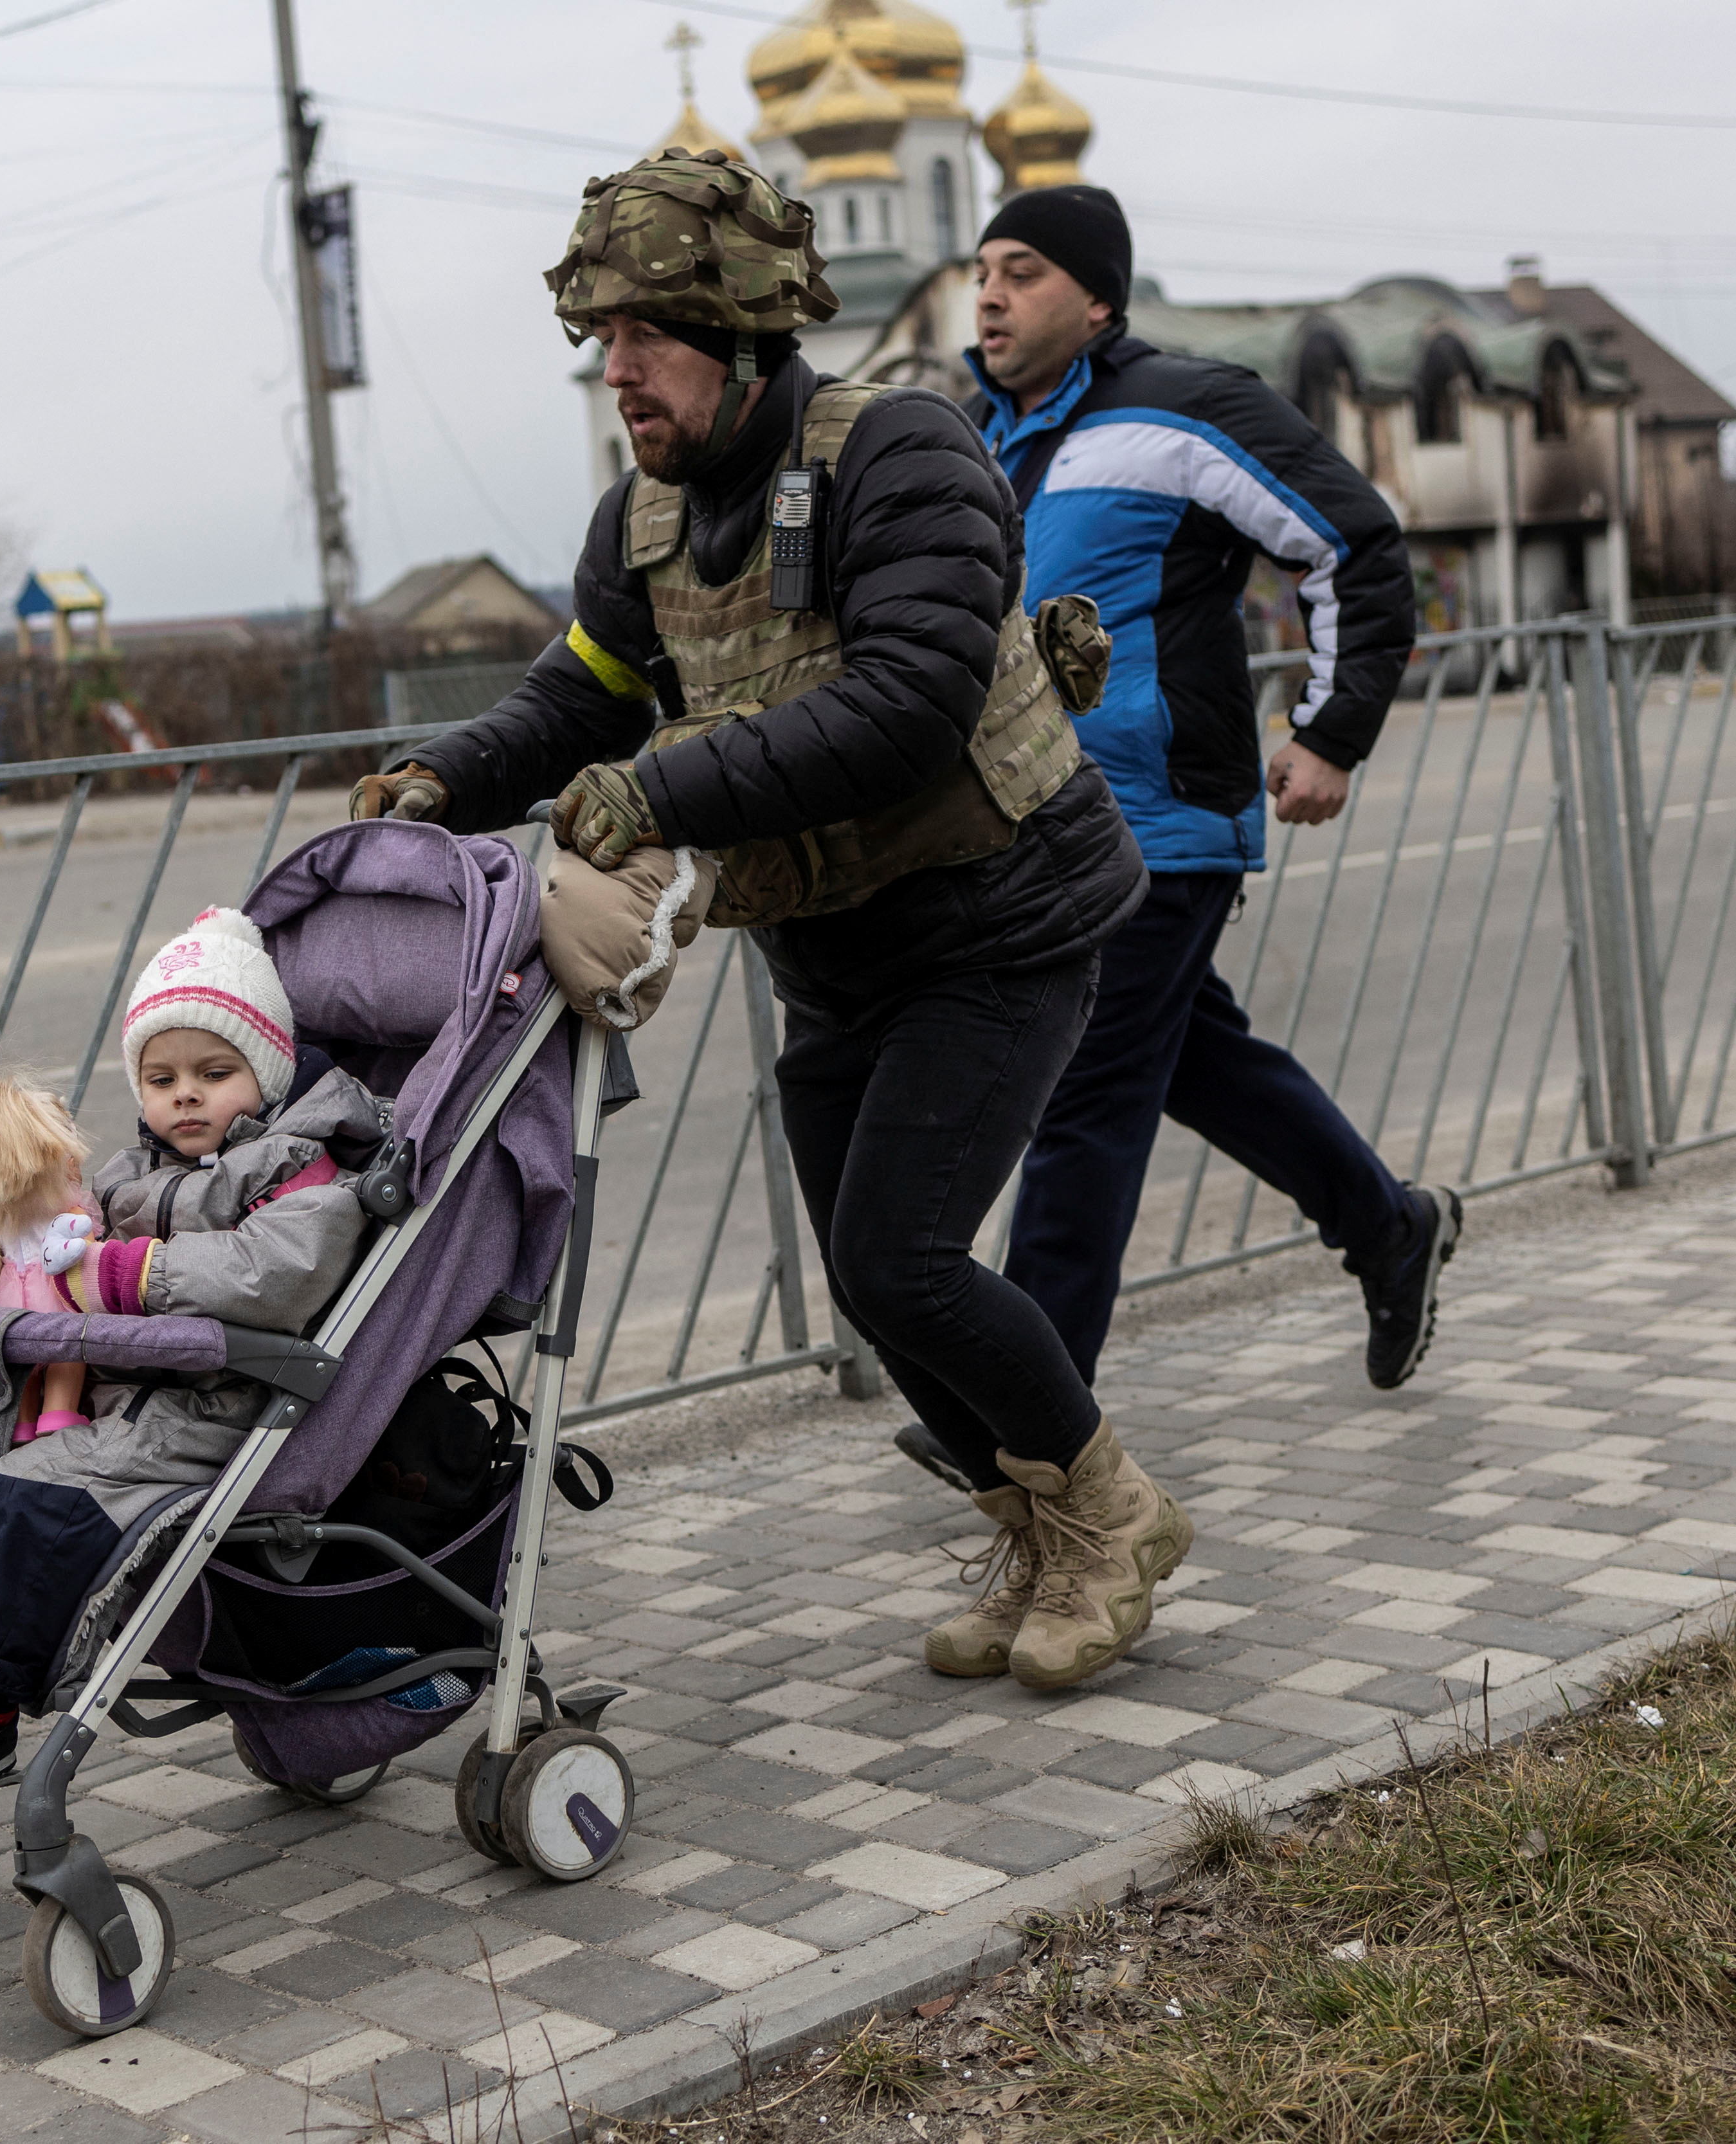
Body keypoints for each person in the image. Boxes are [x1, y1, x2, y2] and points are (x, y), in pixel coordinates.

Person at [352, 150, 1186, 1693]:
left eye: (644, 338)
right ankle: (1038, 1529)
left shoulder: (901, 454)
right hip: (840, 952)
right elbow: (578, 696)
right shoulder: (643, 521)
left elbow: (907, 704)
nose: (618, 375)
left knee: (903, 1254)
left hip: (1000, 918)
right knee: (875, 1282)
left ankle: (1115, 1516)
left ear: (737, 330)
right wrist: (438, 780)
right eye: (602, 344)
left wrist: (657, 790)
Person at [884, 184, 1459, 1498]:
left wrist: (1331, 732)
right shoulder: (981, 435)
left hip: (1162, 823)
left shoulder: (1184, 406)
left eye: (1021, 271)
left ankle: (1022, 1419)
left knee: (1078, 1099)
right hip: (1031, 830)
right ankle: (1388, 1225)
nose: (988, 294)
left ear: (1096, 296)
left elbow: (1353, 545)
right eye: (980, 269)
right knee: (1192, 1058)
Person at [0, 908, 383, 1793]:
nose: (185, 1094)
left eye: (215, 1074)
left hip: (214, 1405)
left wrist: (126, 1274)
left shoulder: (303, 1171)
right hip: (100, 1391)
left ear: (267, 1071)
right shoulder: (128, 1175)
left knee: (33, 1496)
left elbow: (272, 1274)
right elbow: (53, 1242)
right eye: (161, 1075)